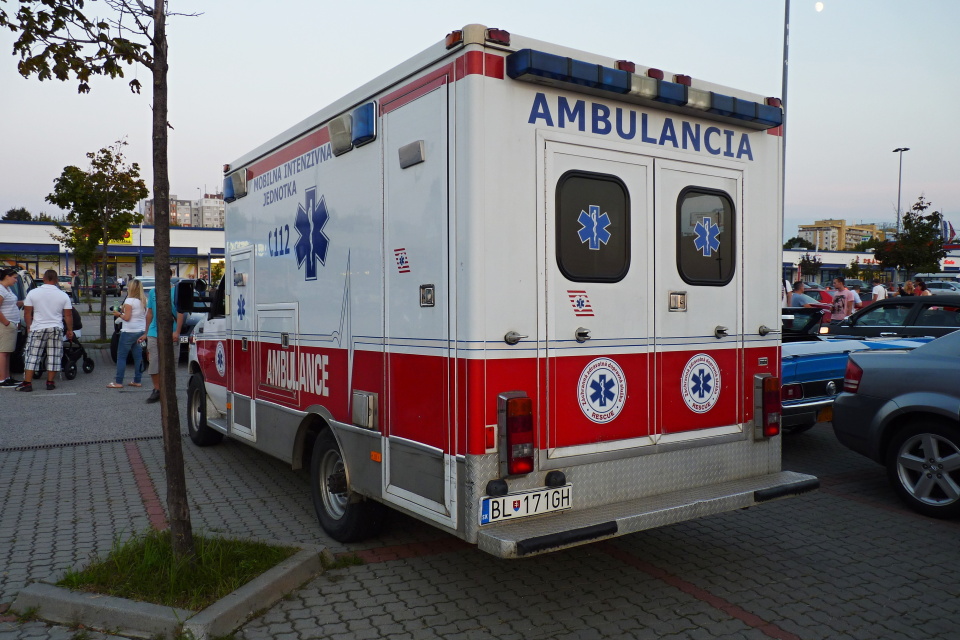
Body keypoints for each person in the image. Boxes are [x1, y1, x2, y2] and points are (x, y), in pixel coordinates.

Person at [15, 269, 74, 392]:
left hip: (38, 327)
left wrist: (29, 326)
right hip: (56, 328)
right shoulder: (63, 295)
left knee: (32, 355)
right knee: (54, 355)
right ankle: (50, 382)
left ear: (43, 279)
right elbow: (68, 315)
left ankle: (27, 383)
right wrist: (70, 330)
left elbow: (27, 313)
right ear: (57, 280)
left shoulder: (33, 293)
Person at [140, 270, 184, 403]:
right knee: (154, 361)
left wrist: (177, 332)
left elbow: (180, 312)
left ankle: (170, 390)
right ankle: (157, 389)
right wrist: (146, 332)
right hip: (154, 332)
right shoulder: (153, 292)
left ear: (170, 276)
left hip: (171, 331)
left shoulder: (176, 292)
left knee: (171, 363)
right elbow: (149, 313)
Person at [108, 278, 147, 388]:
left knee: (121, 356)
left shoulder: (129, 301)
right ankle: (137, 380)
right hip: (140, 331)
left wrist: (118, 314)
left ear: (131, 288)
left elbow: (127, 317)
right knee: (138, 356)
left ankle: (118, 382)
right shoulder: (143, 301)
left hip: (129, 331)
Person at [0, 268, 25, 387]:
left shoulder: (7, 289)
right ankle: (2, 379)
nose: (16, 280)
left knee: (7, 352)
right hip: (6, 325)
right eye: (14, 278)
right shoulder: (1, 289)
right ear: (7, 276)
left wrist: (24, 302)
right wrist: (6, 322)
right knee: (3, 352)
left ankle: (7, 377)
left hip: (12, 324)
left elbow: (11, 304)